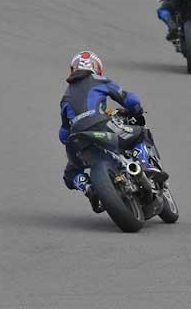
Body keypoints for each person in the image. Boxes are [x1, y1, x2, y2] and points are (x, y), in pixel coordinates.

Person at [59, 50, 168, 212]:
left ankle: (87, 187)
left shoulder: (65, 98)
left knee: (70, 174)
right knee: (140, 134)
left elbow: (63, 134)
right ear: (97, 68)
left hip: (78, 139)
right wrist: (136, 110)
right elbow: (130, 100)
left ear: (72, 69)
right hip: (102, 126)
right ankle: (144, 165)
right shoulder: (98, 80)